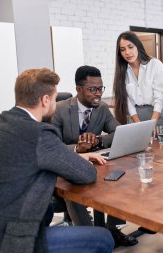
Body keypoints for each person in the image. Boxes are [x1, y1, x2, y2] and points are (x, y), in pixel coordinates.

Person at [0, 68, 114, 253]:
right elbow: (87, 174)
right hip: (3, 241)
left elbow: (29, 156)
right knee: (103, 239)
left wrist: (73, 155)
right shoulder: (40, 133)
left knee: (47, 211)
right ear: (45, 100)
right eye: (53, 98)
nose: (55, 102)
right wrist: (75, 158)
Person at [52, 65, 138, 247]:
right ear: (79, 89)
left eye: (100, 88)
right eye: (92, 89)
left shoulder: (102, 109)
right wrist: (78, 148)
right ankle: (88, 236)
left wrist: (98, 141)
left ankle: (113, 230)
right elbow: (52, 147)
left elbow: (118, 132)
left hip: (94, 164)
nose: (98, 93)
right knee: (73, 188)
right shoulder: (59, 109)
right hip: (65, 167)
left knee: (117, 177)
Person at [113, 31, 163, 125]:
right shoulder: (123, 71)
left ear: (138, 46)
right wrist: (138, 123)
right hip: (136, 117)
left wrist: (153, 122)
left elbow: (160, 97)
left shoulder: (155, 65)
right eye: (122, 49)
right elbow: (127, 102)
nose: (127, 52)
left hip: (157, 114)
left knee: (160, 140)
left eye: (130, 47)